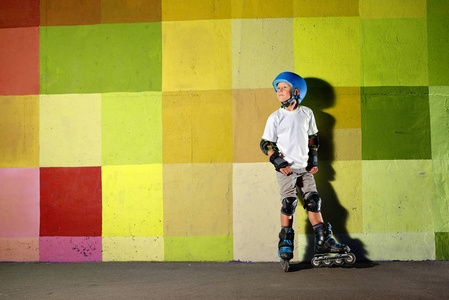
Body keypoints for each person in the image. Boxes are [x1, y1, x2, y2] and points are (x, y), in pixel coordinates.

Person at [260, 72, 350, 261]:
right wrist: (279, 162)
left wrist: (313, 161)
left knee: (313, 200)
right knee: (289, 203)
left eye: (284, 87)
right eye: (278, 88)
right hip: (287, 169)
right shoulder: (275, 117)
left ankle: (322, 241)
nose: (279, 91)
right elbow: (266, 144)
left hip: (304, 168)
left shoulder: (307, 113)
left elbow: (312, 138)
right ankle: (285, 240)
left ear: (296, 91)